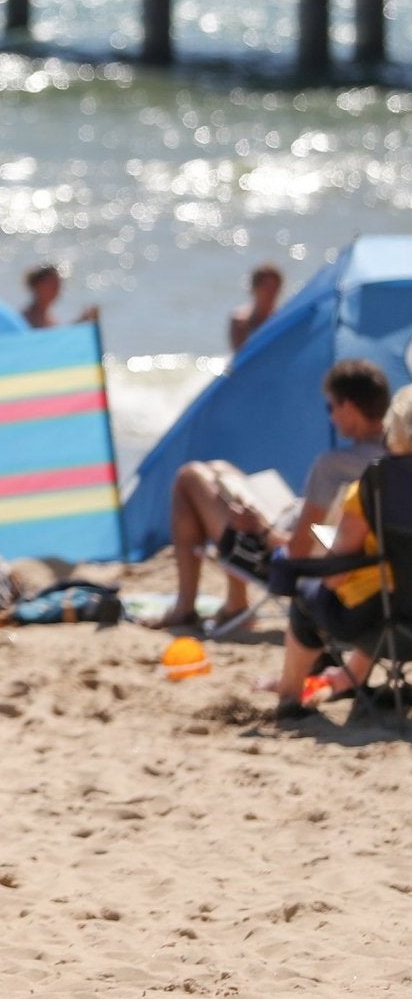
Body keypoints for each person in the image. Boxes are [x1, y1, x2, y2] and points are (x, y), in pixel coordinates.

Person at [146, 357, 391, 632]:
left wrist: (260, 529)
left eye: (330, 406)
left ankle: (187, 607)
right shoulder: (396, 457)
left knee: (189, 477)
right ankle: (232, 603)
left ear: (348, 407)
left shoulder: (333, 466)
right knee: (220, 470)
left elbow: (298, 551)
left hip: (291, 561)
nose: (331, 416)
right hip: (360, 558)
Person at [266, 384, 412, 720]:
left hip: (390, 624)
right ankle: (352, 676)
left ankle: (290, 696)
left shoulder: (374, 487)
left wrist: (320, 559)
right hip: (397, 608)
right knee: (388, 587)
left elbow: (337, 575)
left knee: (313, 593)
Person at [20, 264, 99, 330]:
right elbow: (50, 340)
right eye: (51, 284)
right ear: (37, 285)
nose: (56, 288)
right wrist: (80, 323)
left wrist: (82, 322)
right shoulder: (26, 318)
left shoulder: (50, 319)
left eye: (58, 284)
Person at [230, 262, 285, 356]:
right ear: (255, 289)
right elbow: (240, 355)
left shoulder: (282, 319)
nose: (271, 293)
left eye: (275, 287)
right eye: (267, 287)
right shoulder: (241, 320)